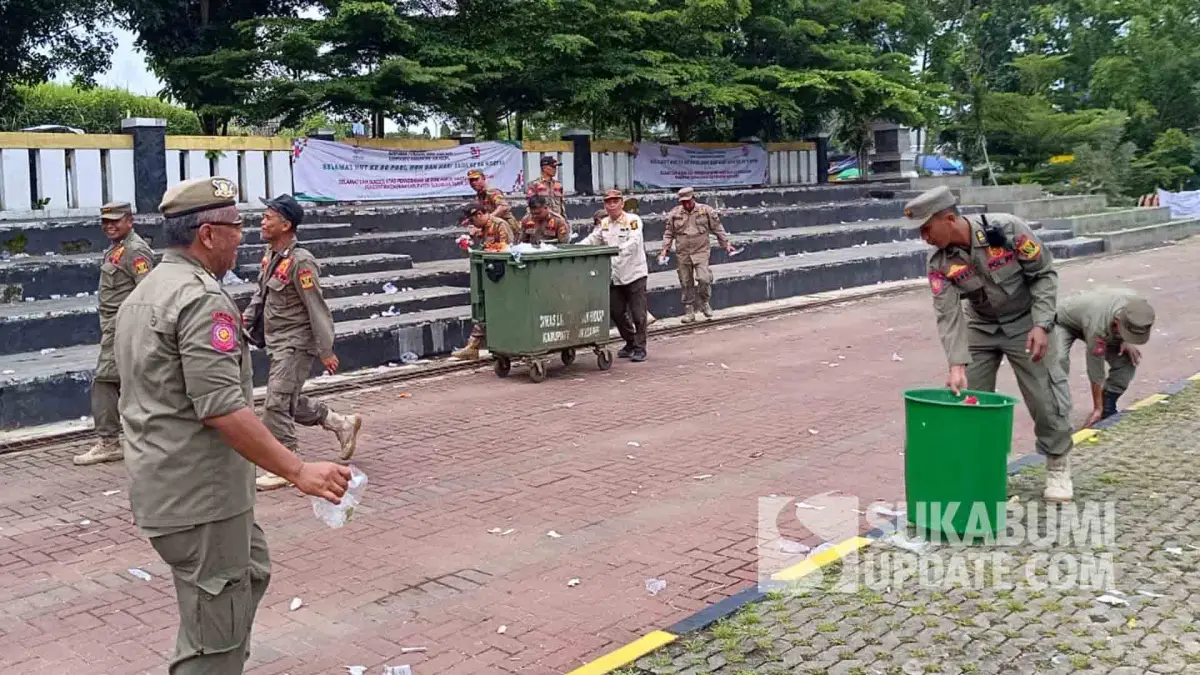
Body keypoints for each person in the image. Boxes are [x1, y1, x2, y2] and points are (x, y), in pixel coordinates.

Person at [114, 176, 351, 674]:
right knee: (214, 641)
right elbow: (222, 407)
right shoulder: (200, 298)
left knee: (249, 570)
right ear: (207, 233)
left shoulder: (148, 290)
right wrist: (297, 470)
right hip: (199, 498)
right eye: (234, 225)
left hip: (174, 487)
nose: (242, 234)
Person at [907, 185, 1075, 503]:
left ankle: (1057, 465)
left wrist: (1041, 324)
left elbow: (1044, 275)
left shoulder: (1007, 230)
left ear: (949, 218)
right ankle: (983, 469)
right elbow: (948, 314)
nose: (923, 237)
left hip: (1027, 322)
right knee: (971, 401)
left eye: (927, 228)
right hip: (981, 326)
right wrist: (956, 364)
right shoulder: (939, 262)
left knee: (1045, 395)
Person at [241, 194, 363, 491]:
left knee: (275, 404)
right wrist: (245, 322)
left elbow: (315, 306)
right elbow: (262, 296)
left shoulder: (301, 262)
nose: (262, 221)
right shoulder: (272, 256)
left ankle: (286, 463)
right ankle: (339, 422)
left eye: (268, 217)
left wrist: (326, 349)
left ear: (285, 224)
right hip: (277, 340)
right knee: (288, 402)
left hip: (296, 343)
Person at [74, 201, 156, 466]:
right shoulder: (117, 249)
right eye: (105, 222)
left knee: (104, 382)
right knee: (129, 382)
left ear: (130, 221)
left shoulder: (135, 251)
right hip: (112, 325)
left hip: (123, 326)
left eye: (115, 221)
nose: (109, 226)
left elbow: (146, 292)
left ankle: (108, 442)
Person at [1050, 288, 1155, 428]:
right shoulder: (1098, 326)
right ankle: (1056, 412)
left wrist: (1126, 340)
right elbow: (1095, 370)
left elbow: (1135, 324)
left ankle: (1108, 404)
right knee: (1058, 360)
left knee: (1127, 360)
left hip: (1102, 322)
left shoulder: (1139, 308)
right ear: (1118, 322)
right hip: (1065, 321)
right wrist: (1096, 408)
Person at [580, 189, 650, 362]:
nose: (611, 205)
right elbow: (592, 240)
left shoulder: (632, 220)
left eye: (615, 201)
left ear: (622, 203)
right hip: (615, 275)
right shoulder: (604, 223)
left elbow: (634, 242)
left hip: (634, 273)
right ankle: (631, 341)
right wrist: (575, 248)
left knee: (638, 314)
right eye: (608, 202)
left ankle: (640, 348)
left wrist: (614, 251)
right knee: (616, 312)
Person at [658, 187, 735, 323]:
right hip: (683, 254)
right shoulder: (674, 214)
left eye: (688, 201)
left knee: (704, 279)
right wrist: (665, 250)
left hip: (701, 251)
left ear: (693, 198)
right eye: (683, 202)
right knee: (686, 282)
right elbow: (669, 233)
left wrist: (726, 244)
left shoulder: (706, 211)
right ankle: (689, 311)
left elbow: (717, 228)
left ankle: (704, 302)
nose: (686, 204)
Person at [451, 204, 515, 361]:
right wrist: (469, 244)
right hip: (489, 272)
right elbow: (483, 249)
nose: (472, 225)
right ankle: (473, 346)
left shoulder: (500, 225)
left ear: (480, 214)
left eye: (473, 221)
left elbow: (507, 249)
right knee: (484, 306)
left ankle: (507, 343)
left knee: (501, 308)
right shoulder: (482, 230)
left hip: (504, 273)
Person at [467, 168, 521, 235]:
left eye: (476, 179)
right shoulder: (479, 196)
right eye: (471, 180)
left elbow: (503, 207)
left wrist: (488, 218)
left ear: (483, 178)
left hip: (507, 227)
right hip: (494, 228)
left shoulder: (492, 191)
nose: (473, 182)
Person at [525, 155, 567, 221]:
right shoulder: (534, 185)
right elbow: (530, 206)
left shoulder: (558, 185)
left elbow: (562, 207)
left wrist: (565, 221)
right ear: (544, 168)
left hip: (557, 222)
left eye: (555, 167)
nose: (555, 169)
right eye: (553, 167)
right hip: (542, 221)